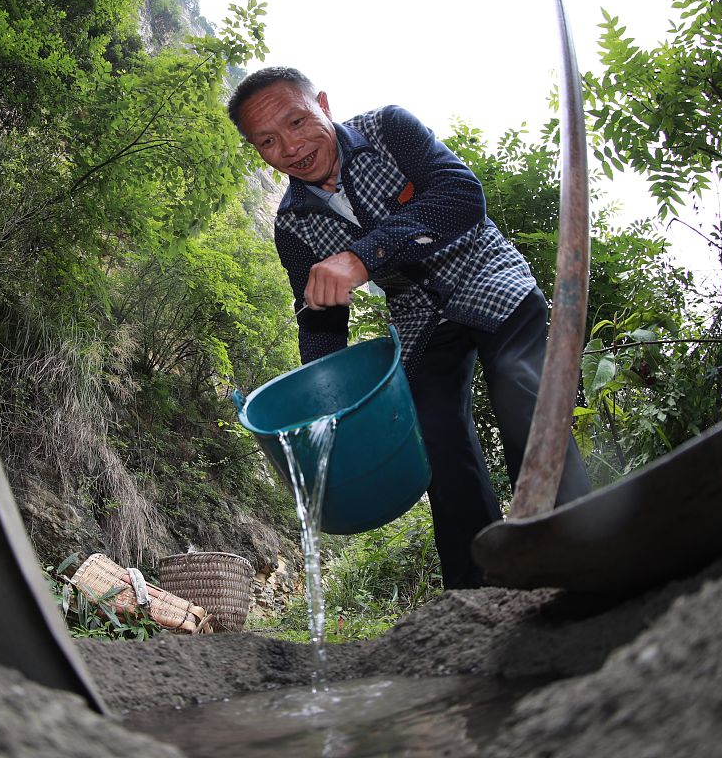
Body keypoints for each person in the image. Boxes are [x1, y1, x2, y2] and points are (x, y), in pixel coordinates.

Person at [227, 66, 591, 588]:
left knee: (518, 382)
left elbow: (460, 196)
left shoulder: (389, 130)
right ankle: (478, 591)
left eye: (297, 122)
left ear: (323, 104)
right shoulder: (292, 225)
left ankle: (574, 544)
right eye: (268, 141)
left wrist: (361, 257)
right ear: (258, 150)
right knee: (433, 437)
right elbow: (320, 317)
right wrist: (326, 402)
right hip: (420, 317)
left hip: (485, 273)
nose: (291, 147)